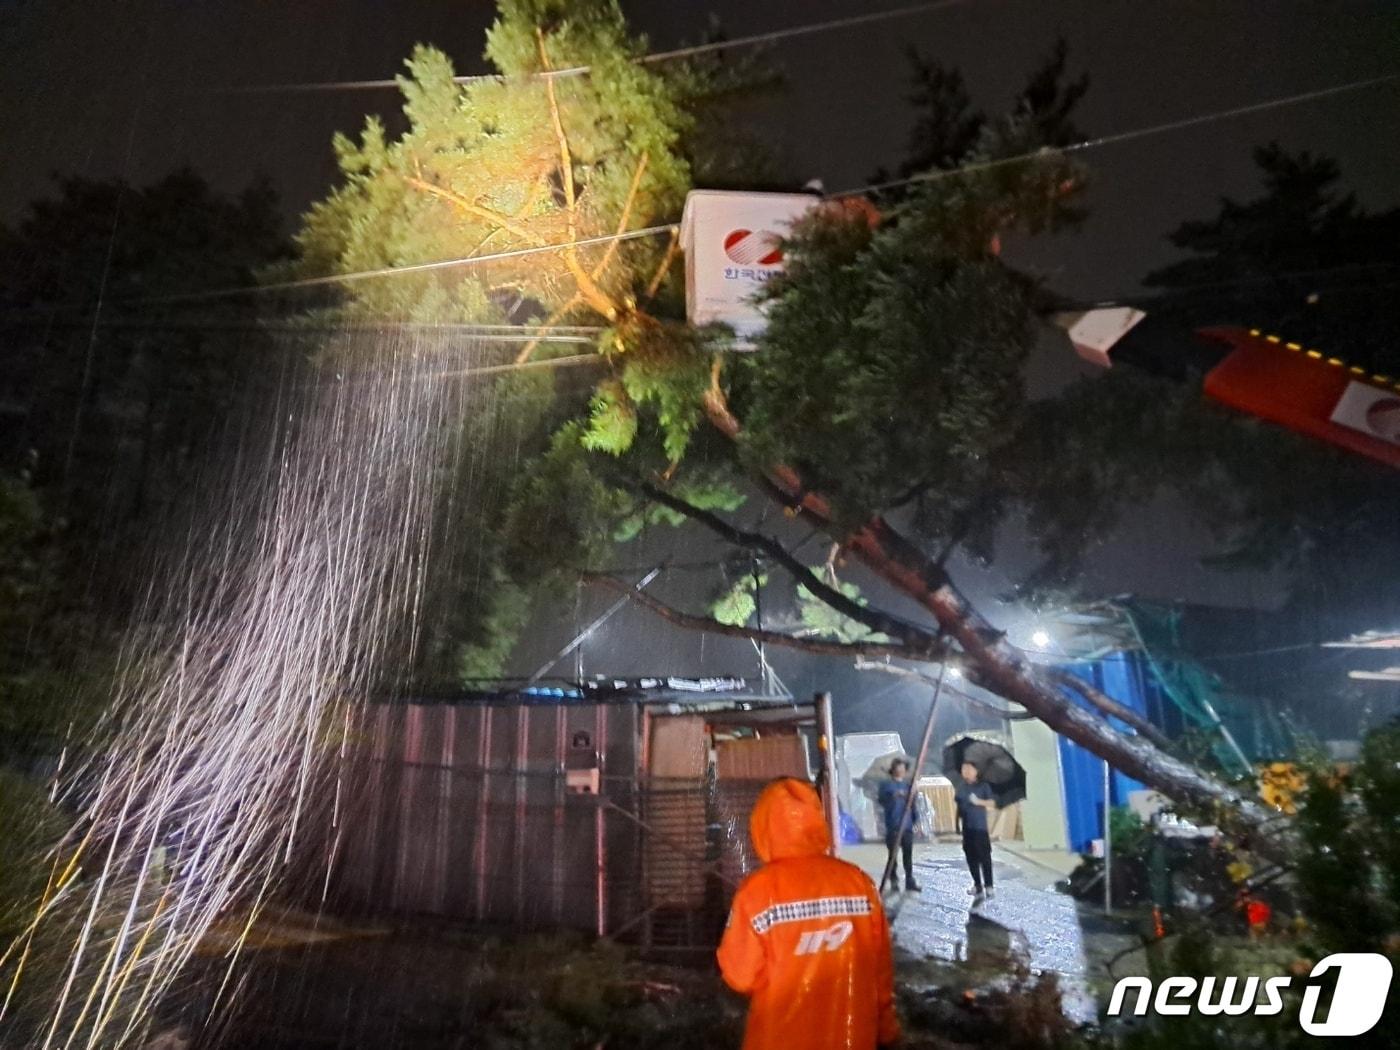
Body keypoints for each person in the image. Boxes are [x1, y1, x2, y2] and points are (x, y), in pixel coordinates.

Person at [718, 778, 900, 1050]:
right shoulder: (859, 883)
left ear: (763, 827)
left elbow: (739, 976)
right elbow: (880, 970)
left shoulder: (756, 892)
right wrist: (887, 1030)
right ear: (816, 821)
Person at [876, 759, 921, 892]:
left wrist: (916, 820)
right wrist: (894, 795)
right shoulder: (886, 785)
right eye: (898, 768)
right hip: (893, 825)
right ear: (893, 769)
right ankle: (894, 881)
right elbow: (882, 800)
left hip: (906, 825)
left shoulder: (908, 786)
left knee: (908, 855)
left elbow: (913, 805)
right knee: (893, 856)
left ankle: (909, 881)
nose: (900, 770)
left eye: (902, 768)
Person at [955, 760, 996, 901]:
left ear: (976, 771)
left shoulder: (983, 786)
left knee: (985, 858)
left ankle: (989, 886)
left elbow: (992, 803)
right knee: (971, 858)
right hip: (967, 828)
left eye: (969, 769)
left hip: (980, 828)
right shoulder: (961, 787)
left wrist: (978, 801)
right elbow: (959, 807)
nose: (966, 771)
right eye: (964, 769)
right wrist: (957, 824)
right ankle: (977, 885)